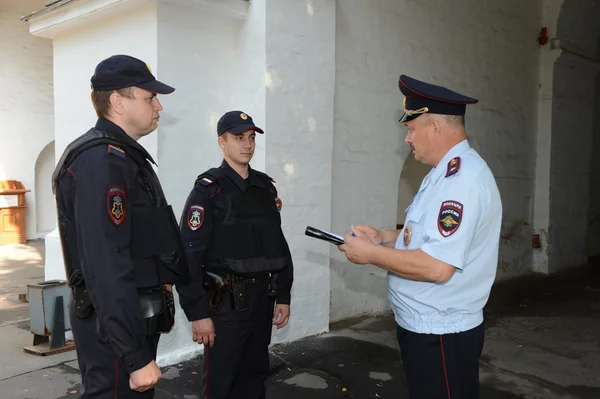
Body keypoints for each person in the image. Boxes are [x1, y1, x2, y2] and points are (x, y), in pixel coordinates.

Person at [338, 75, 502, 399]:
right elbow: (427, 235)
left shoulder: (461, 181)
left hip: (440, 333)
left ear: (435, 128)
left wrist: (370, 254)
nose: (407, 140)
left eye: (411, 130)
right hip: (427, 326)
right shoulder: (443, 174)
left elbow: (437, 267)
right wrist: (384, 237)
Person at [52, 54, 191, 398]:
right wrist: (133, 355)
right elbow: (105, 265)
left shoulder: (121, 157)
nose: (158, 106)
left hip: (127, 323)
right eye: (149, 97)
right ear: (117, 101)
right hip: (115, 334)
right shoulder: (103, 162)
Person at [176, 110, 294, 399]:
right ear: (222, 142)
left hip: (261, 302)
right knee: (221, 384)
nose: (247, 144)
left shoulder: (264, 189)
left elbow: (277, 245)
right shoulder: (208, 192)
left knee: (254, 380)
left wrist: (283, 295)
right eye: (239, 138)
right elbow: (189, 258)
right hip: (224, 305)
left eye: (251, 138)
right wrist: (198, 313)